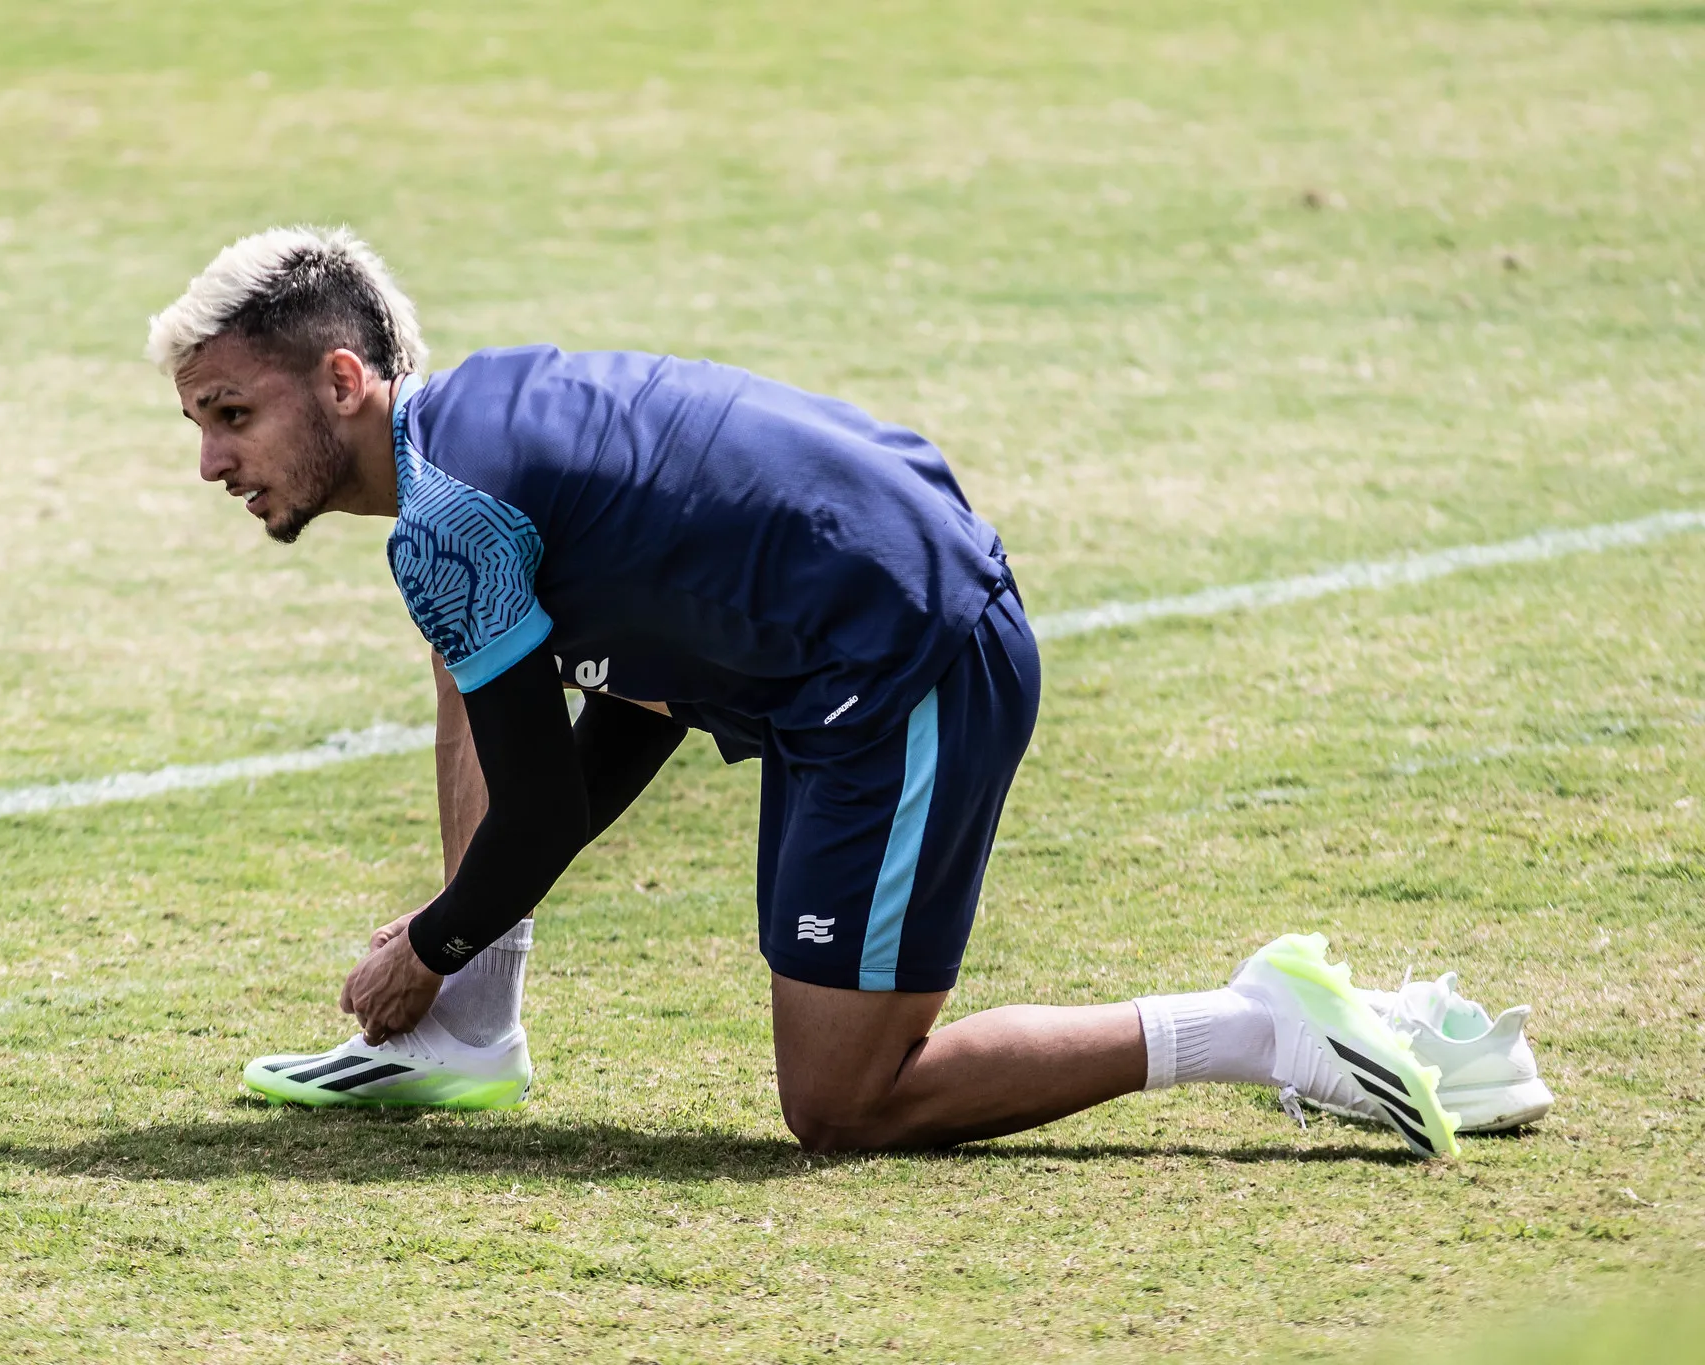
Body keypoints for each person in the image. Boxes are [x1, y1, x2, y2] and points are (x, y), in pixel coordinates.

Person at [144, 226, 1551, 1156]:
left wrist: (430, 944)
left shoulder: (456, 517)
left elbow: (546, 803)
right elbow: (633, 698)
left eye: (232, 415)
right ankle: (465, 1039)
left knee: (845, 1105)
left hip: (902, 664)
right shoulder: (474, 455)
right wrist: (467, 937)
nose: (213, 463)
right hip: (838, 637)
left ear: (343, 380)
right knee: (468, 638)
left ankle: (1258, 1025)